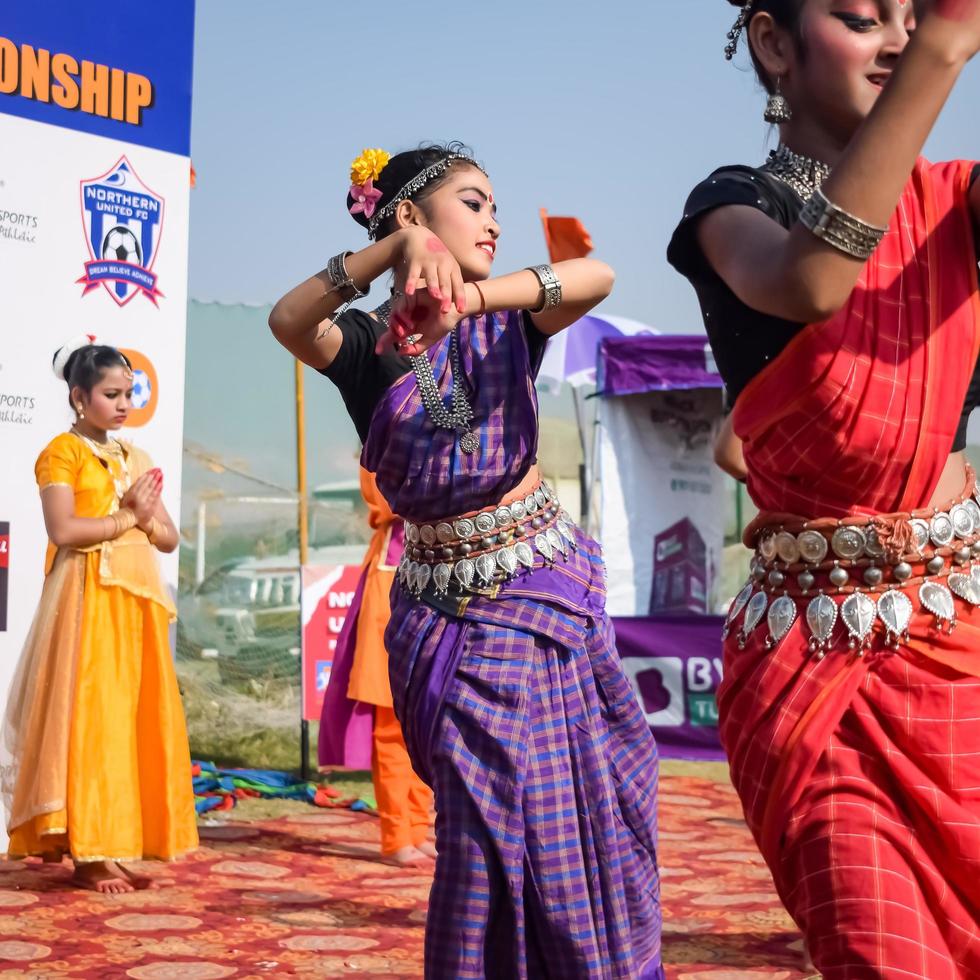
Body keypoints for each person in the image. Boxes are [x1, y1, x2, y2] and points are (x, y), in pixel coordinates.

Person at [270, 143, 662, 978]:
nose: (495, 219)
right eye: (474, 202)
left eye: (495, 206)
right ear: (411, 213)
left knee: (586, 811)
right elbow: (288, 321)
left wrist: (473, 297)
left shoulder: (506, 316)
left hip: (543, 596)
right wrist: (390, 254)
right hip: (446, 619)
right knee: (483, 828)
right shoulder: (368, 343)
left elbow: (596, 276)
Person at [668, 1, 980, 975]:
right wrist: (940, 46)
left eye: (910, 17)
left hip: (959, 648)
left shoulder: (956, 201)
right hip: (811, 665)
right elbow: (809, 283)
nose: (894, 36)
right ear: (772, 42)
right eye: (860, 15)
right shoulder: (731, 204)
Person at [1, 338, 198, 893]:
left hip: (136, 602)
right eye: (111, 394)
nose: (123, 404)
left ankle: (118, 843)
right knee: (91, 721)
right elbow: (64, 531)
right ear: (79, 397)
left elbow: (167, 538)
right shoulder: (61, 453)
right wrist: (125, 516)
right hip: (85, 599)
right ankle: (88, 852)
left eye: (128, 394)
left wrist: (145, 517)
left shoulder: (136, 458)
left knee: (131, 722)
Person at [318, 467, 436, 868]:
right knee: (392, 728)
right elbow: (391, 501)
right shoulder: (382, 449)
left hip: (438, 586)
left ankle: (419, 828)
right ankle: (396, 835)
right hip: (390, 588)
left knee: (425, 727)